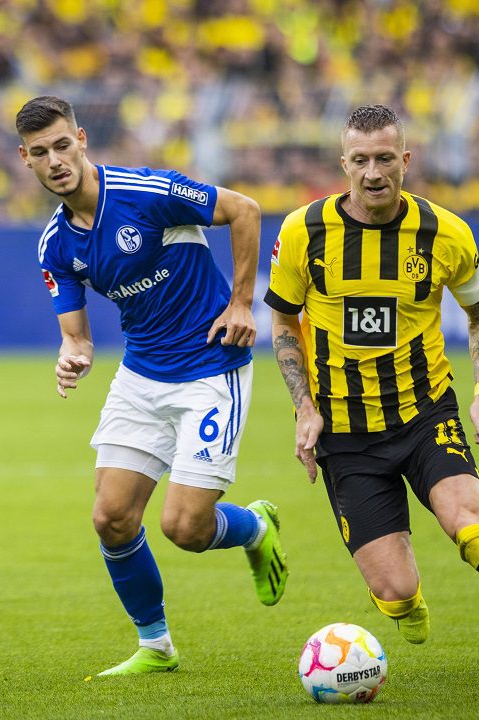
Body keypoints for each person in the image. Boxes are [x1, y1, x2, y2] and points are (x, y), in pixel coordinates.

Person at [265, 104, 479, 699]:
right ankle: (408, 604)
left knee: (470, 525)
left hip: (426, 414)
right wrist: (305, 408)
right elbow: (283, 324)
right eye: (361, 160)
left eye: (385, 158)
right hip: (346, 432)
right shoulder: (302, 232)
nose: (374, 173)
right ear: (344, 164)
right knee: (394, 590)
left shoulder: (445, 233)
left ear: (406, 159)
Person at [15, 96, 287, 677]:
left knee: (184, 528)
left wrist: (242, 303)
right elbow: (77, 337)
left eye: (62, 145)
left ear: (81, 140)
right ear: (26, 159)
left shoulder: (146, 191)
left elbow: (243, 209)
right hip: (141, 376)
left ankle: (255, 527)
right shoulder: (55, 245)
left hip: (211, 369)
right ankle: (156, 645)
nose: (55, 160)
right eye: (41, 152)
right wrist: (72, 357)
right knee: (111, 517)